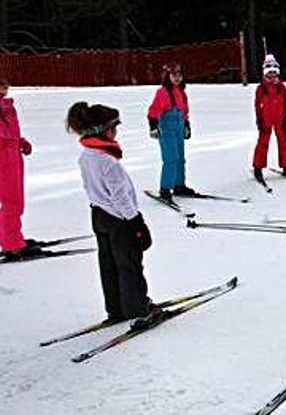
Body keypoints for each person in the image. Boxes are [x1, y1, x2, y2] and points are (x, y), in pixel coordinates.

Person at [67, 102, 160, 328]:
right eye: (113, 127)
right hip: (119, 220)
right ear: (102, 131)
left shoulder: (87, 156)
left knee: (109, 264)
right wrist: (137, 223)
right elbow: (120, 197)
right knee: (129, 264)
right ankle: (137, 309)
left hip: (99, 216)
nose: (116, 132)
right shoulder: (108, 162)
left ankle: (116, 307)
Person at [148, 62, 196, 201]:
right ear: (167, 76)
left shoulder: (181, 92)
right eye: (173, 75)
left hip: (179, 127)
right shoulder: (162, 92)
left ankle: (179, 185)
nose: (177, 78)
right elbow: (153, 111)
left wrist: (186, 125)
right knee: (171, 159)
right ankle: (165, 188)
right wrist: (153, 126)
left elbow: (184, 111)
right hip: (167, 129)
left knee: (180, 158)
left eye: (179, 75)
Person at [0, 77, 34, 260]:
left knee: (16, 200)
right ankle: (11, 243)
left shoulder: (6, 105)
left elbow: (10, 132)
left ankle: (13, 237)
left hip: (12, 155)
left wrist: (20, 141)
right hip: (4, 158)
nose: (6, 88)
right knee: (11, 201)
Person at [253, 54, 286, 186]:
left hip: (280, 118)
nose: (272, 76)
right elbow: (257, 106)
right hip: (266, 119)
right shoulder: (261, 88)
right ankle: (258, 167)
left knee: (283, 142)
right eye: (269, 73)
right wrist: (259, 120)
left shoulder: (281, 87)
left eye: (274, 73)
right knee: (263, 142)